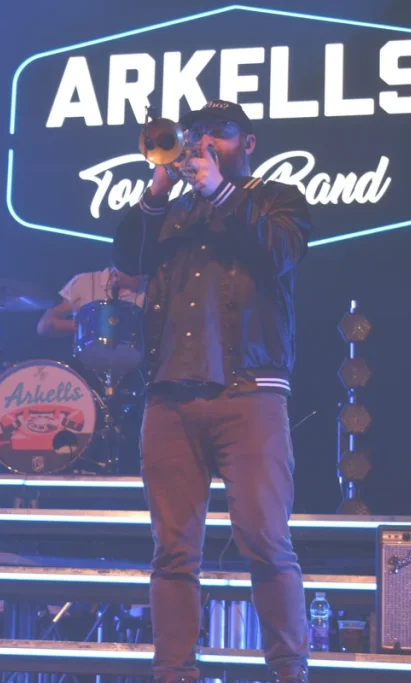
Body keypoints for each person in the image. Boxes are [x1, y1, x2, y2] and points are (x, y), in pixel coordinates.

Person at [112, 100, 312, 683]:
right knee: (172, 551)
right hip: (170, 397)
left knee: (266, 541)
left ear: (246, 143)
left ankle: (288, 671)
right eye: (194, 135)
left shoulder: (277, 201)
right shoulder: (174, 213)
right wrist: (155, 191)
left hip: (249, 393)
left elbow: (277, 254)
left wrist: (220, 191)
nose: (200, 144)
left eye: (216, 136)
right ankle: (174, 673)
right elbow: (127, 258)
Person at [36, 266, 144, 338]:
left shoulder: (150, 289)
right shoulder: (84, 282)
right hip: (86, 365)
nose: (142, 276)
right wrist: (87, 327)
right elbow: (44, 326)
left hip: (132, 366)